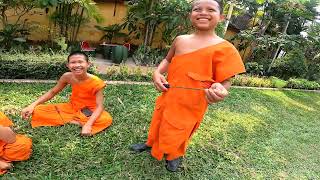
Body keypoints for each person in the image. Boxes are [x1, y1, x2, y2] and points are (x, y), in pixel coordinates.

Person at [130, 0, 245, 172]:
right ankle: (151, 143)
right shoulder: (180, 40)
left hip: (194, 100)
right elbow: (167, 60)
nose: (203, 12)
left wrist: (221, 90)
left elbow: (226, 80)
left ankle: (175, 153)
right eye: (197, 9)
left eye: (210, 9)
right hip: (169, 93)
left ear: (221, 17)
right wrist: (157, 73)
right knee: (159, 120)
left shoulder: (226, 48)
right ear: (190, 15)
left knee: (181, 128)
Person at [21, 51, 112, 136]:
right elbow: (53, 92)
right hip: (72, 107)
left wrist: (88, 125)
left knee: (106, 119)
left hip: (89, 110)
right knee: (38, 110)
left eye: (80, 62)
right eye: (73, 62)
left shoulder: (96, 82)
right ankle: (76, 121)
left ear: (88, 64)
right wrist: (32, 105)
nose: (77, 65)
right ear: (68, 65)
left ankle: (78, 121)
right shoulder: (67, 77)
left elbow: (100, 106)